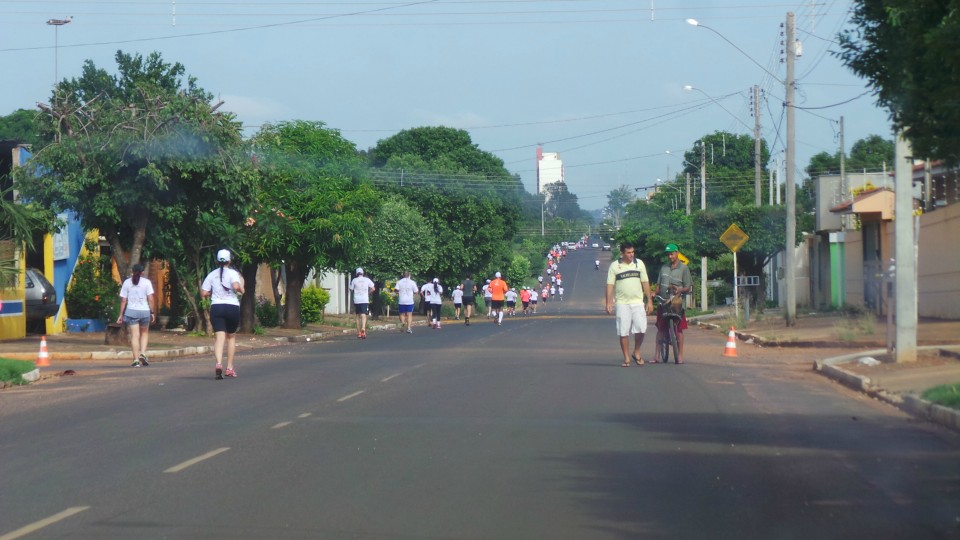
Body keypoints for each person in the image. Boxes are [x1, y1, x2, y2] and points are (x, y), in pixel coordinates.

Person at [604, 242, 654, 367]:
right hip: (622, 303)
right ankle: (626, 357)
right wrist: (608, 302)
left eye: (632, 252)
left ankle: (636, 351)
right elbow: (610, 285)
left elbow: (645, 283)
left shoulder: (639, 264)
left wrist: (650, 301)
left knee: (641, 328)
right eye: (628, 253)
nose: (631, 255)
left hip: (637, 302)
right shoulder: (615, 266)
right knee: (623, 331)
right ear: (622, 253)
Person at [201, 249, 245, 379]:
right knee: (231, 337)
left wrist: (213, 293)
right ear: (229, 260)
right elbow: (237, 286)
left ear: (217, 261)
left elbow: (203, 293)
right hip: (232, 307)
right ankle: (230, 368)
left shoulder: (211, 274)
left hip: (217, 307)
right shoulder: (233, 273)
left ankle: (218, 363)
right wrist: (242, 289)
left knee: (219, 338)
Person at [653, 243, 693, 364]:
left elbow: (688, 286)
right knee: (661, 329)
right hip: (664, 302)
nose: (670, 256)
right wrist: (654, 293)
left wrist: (680, 290)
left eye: (672, 253)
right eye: (668, 254)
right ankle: (657, 356)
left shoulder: (684, 268)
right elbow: (658, 285)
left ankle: (680, 356)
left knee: (679, 330)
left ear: (677, 253)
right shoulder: (664, 268)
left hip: (677, 303)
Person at [117, 263, 155, 367]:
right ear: (142, 272)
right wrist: (152, 312)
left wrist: (120, 314)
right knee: (144, 334)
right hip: (144, 312)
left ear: (132, 271)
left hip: (131, 312)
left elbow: (123, 300)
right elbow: (151, 299)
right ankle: (142, 353)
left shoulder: (126, 283)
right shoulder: (147, 282)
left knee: (135, 335)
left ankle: (136, 360)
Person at [349, 267, 375, 339]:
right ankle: (363, 328)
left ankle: (358, 333)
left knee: (357, 315)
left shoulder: (354, 280)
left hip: (357, 300)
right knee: (363, 314)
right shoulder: (367, 280)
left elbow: (351, 289)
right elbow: (373, 288)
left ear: (356, 273)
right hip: (364, 299)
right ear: (362, 273)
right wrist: (368, 293)